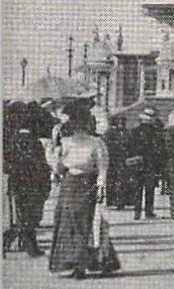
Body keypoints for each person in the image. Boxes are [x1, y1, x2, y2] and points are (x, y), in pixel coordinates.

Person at [49, 105, 118, 279]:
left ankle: (75, 261)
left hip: (73, 183)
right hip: (85, 183)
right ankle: (82, 262)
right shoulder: (96, 143)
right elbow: (102, 168)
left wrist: (55, 157)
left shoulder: (67, 142)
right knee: (86, 222)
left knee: (73, 222)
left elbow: (58, 168)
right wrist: (101, 187)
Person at [4, 114, 51, 257]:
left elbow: (6, 164)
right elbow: (41, 165)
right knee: (30, 217)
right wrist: (46, 183)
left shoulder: (12, 141)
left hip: (17, 183)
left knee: (22, 216)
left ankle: (24, 244)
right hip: (33, 184)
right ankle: (14, 242)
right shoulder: (35, 143)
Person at [125, 109, 165, 220]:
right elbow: (159, 149)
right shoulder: (155, 132)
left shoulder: (134, 131)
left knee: (137, 189)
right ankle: (149, 211)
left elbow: (128, 146)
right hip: (150, 163)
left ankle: (137, 212)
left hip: (137, 163)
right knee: (149, 189)